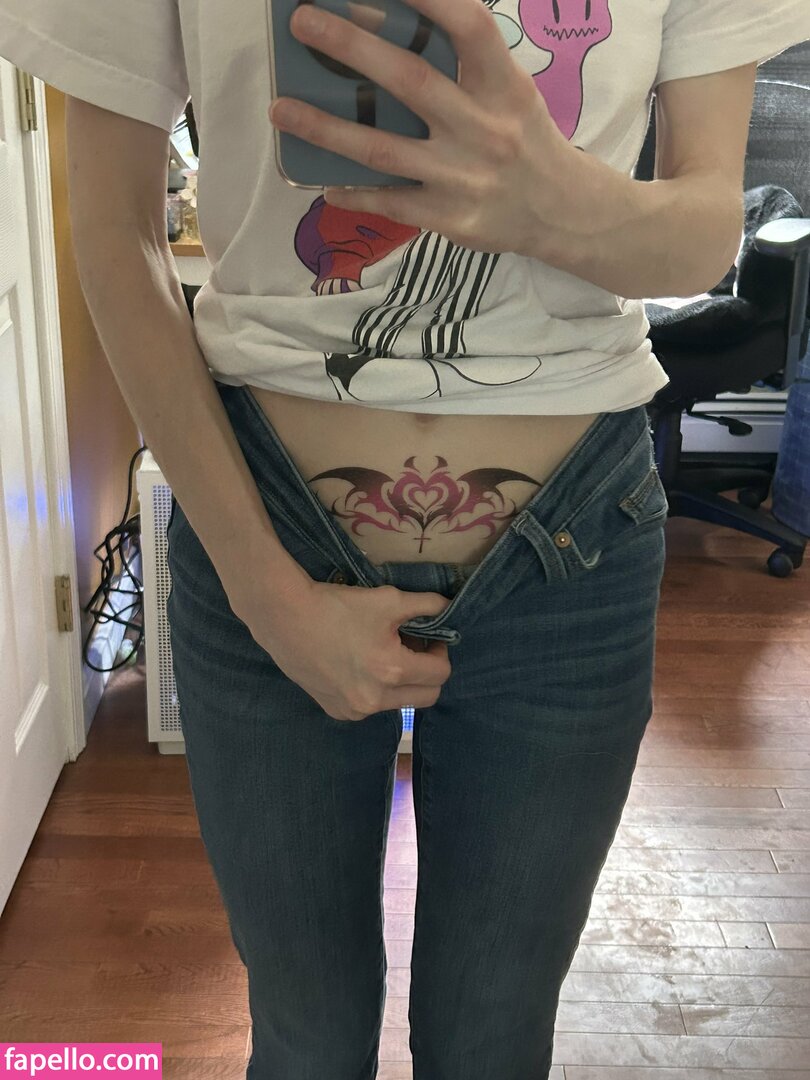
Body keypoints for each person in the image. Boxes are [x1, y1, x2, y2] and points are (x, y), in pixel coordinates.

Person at [2, 1, 808, 1076]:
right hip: (265, 529)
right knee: (305, 1040)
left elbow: (705, 233)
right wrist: (265, 592)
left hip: (573, 555)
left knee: (494, 1042)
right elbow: (116, 231)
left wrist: (552, 200)